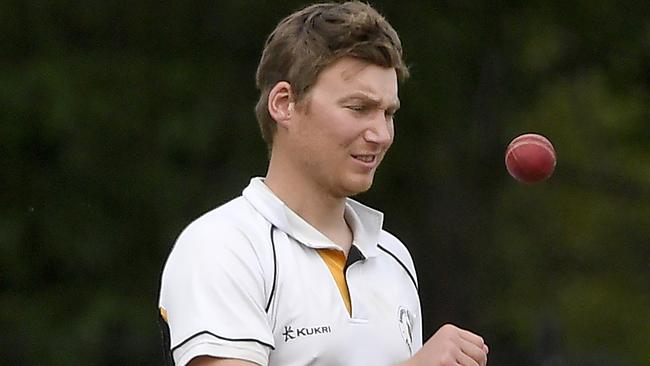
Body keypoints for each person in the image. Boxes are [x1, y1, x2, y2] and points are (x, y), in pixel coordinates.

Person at [158, 2, 489, 366]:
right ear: (284, 104)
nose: (381, 134)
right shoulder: (223, 246)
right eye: (358, 108)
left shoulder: (394, 258)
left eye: (389, 113)